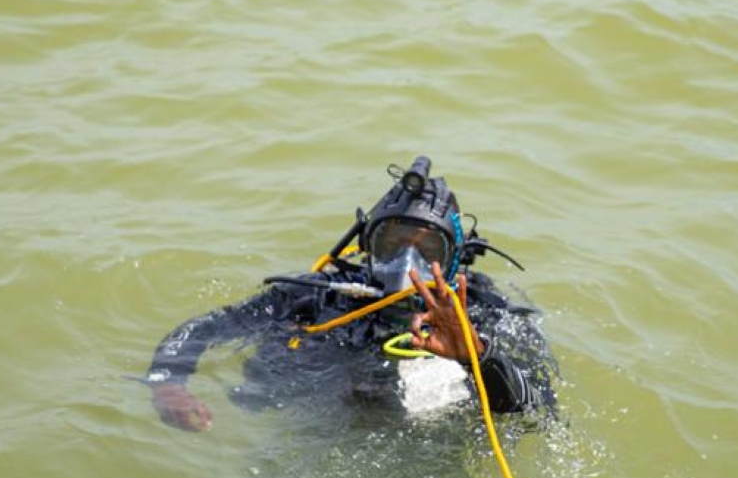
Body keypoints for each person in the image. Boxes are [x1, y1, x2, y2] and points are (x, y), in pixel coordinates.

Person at [144, 156, 558, 431]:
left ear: (454, 261)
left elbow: (537, 408)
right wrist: (168, 385)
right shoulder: (317, 296)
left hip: (436, 454)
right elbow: (208, 327)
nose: (406, 264)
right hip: (324, 437)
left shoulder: (487, 315)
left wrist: (476, 355)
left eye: (428, 250)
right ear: (366, 246)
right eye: (391, 244)